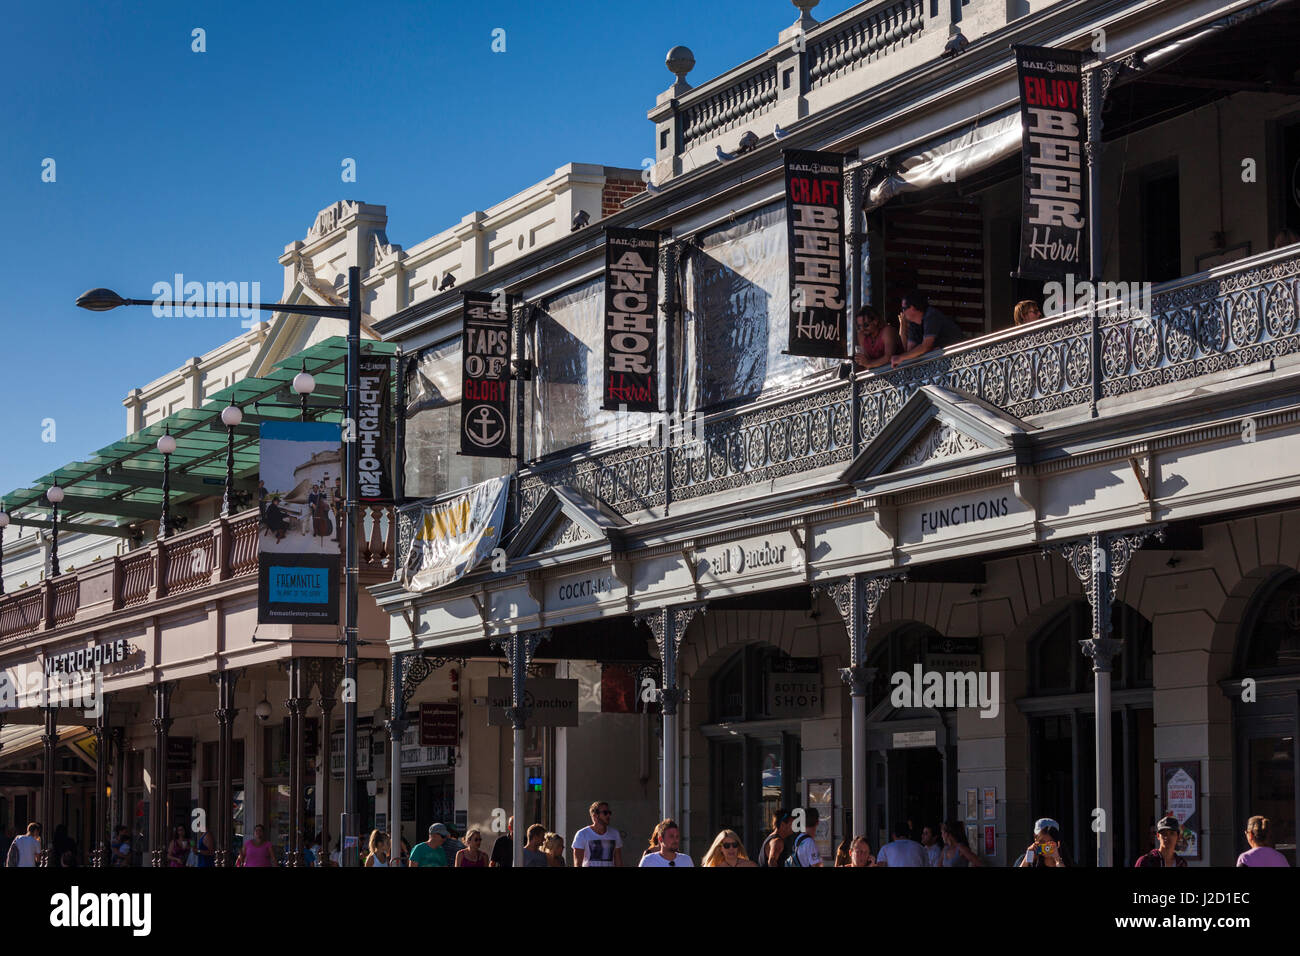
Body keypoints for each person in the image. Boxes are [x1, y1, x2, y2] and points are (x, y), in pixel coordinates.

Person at [891, 290, 964, 366]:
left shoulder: (931, 315)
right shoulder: (913, 324)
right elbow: (910, 351)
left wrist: (900, 357)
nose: (902, 312)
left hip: (958, 359)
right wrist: (903, 326)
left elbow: (926, 346)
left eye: (904, 308)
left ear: (912, 308)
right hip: (941, 364)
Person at [572, 800, 623, 867]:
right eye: (605, 813)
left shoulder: (615, 834)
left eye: (609, 813)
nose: (608, 815)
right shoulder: (582, 834)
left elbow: (618, 862)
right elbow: (577, 864)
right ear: (595, 815)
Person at [854, 305, 902, 370]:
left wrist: (869, 364)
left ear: (875, 321)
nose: (862, 329)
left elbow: (888, 357)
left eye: (866, 325)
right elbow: (866, 360)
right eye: (859, 326)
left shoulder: (887, 330)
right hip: (877, 375)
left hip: (897, 371)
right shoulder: (861, 334)